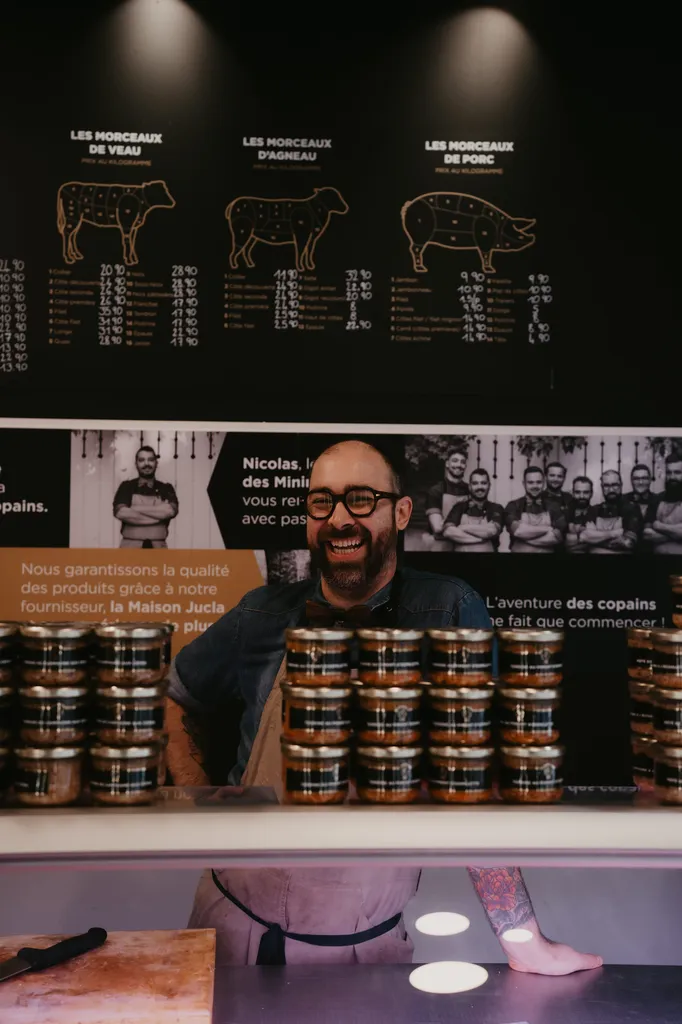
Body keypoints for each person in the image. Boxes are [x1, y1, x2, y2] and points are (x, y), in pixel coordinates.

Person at [166, 440, 601, 975]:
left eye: (361, 500)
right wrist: (200, 800)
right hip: (229, 932)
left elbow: (475, 783)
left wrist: (522, 938)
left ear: (400, 513)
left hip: (368, 951)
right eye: (321, 503)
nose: (339, 519)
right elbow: (176, 695)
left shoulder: (447, 611)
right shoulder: (258, 615)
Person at [113, 445, 179, 549]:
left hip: (159, 549)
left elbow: (170, 511)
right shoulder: (126, 486)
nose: (146, 464)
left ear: (156, 463)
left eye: (151, 460)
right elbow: (120, 512)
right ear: (136, 464)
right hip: (129, 549)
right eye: (142, 460)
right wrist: (158, 515)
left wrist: (133, 509)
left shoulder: (166, 488)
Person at [504, 466, 567, 553]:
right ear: (524, 484)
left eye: (538, 482)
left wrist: (525, 537)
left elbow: (557, 537)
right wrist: (548, 529)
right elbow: (519, 531)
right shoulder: (514, 505)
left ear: (543, 483)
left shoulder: (554, 506)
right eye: (530, 482)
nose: (535, 486)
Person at [441, 468, 504, 552]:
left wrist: (463, 528)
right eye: (475, 483)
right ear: (470, 487)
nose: (480, 487)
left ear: (489, 485)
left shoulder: (496, 508)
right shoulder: (459, 507)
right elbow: (448, 532)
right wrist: (480, 540)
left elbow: (492, 531)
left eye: (483, 483)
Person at [580, 470, 640, 554]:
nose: (611, 489)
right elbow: (584, 537)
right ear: (602, 487)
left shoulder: (631, 509)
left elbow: (628, 543)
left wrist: (596, 538)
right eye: (606, 485)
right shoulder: (594, 509)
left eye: (615, 485)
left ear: (621, 485)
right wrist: (615, 533)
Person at [423, 449, 469, 550]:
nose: (459, 465)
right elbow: (437, 527)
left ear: (465, 466)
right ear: (447, 464)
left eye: (463, 462)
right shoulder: (435, 491)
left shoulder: (469, 490)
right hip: (441, 541)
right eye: (455, 460)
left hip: (464, 541)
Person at [643, 455, 682, 554]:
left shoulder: (658, 525)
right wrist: (676, 535)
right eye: (669, 472)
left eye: (677, 472)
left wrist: (659, 526)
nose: (672, 477)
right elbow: (647, 534)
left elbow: (653, 527)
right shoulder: (656, 500)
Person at [565, 476, 593, 554]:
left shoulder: (597, 512)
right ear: (573, 493)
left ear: (591, 493)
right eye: (577, 492)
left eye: (586, 492)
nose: (581, 496)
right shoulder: (565, 512)